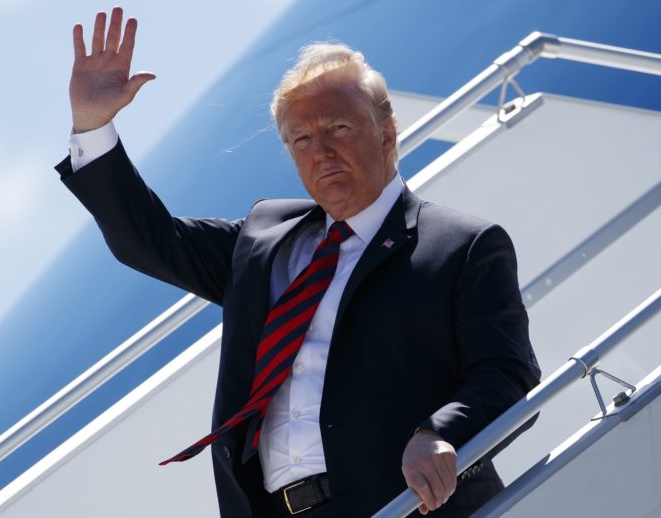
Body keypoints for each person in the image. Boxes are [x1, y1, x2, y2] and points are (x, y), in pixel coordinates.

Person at [57, 7, 540, 517]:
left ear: (386, 134)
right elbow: (150, 241)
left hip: (404, 506)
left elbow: (506, 374)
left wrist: (440, 434)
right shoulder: (266, 239)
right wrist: (93, 126)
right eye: (302, 139)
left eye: (338, 127)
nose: (322, 152)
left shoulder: (461, 245)